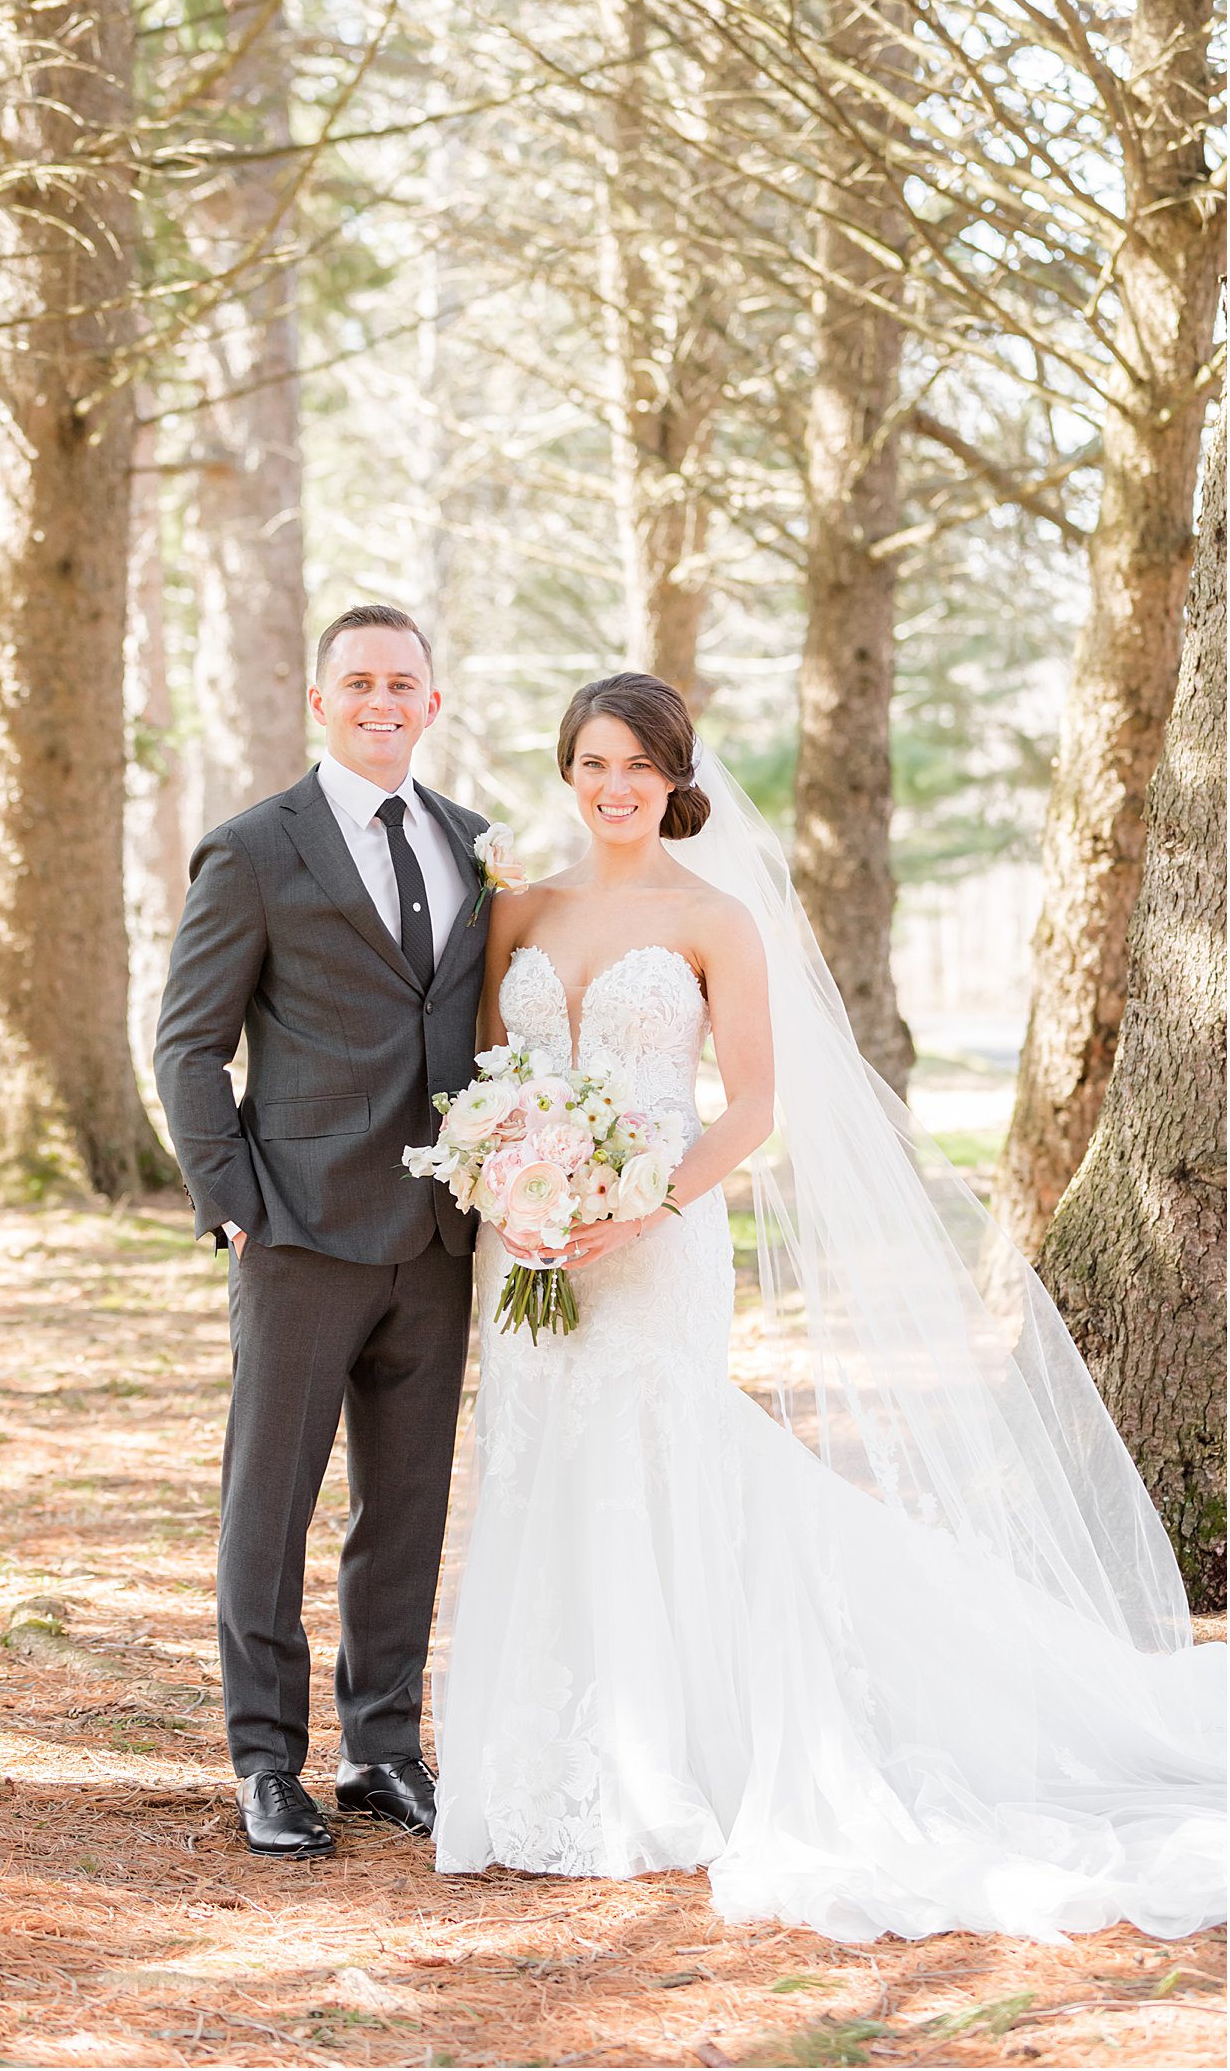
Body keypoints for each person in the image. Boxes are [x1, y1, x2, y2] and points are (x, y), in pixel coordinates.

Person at [432, 670, 1225, 1943]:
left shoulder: (714, 919)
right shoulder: (514, 916)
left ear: (677, 778)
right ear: (566, 771)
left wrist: (641, 1206)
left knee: (657, 1466)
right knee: (542, 1469)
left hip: (654, 1239)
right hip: (529, 1248)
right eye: (591, 762)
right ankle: (536, 1763)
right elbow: (490, 1078)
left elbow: (749, 1101)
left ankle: (665, 1767)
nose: (613, 786)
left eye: (638, 764)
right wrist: (506, 1190)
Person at [155, 605, 488, 1858]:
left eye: (404, 682)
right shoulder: (251, 850)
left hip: (437, 1240)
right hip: (294, 1231)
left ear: (433, 703)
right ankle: (263, 1762)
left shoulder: (471, 845)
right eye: (358, 682)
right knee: (270, 1503)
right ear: (318, 699)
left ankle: (382, 1748)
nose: (382, 701)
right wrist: (232, 1201)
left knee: (402, 1505)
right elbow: (188, 1044)